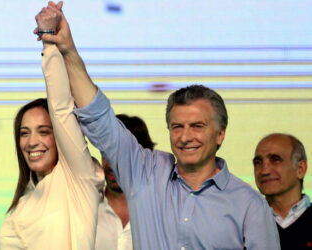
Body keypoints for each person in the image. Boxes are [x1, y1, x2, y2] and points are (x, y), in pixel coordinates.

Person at [38, 2, 280, 249]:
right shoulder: (144, 173)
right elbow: (98, 116)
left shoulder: (249, 205)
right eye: (177, 127)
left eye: (197, 126)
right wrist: (67, 49)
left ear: (220, 134)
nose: (185, 137)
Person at [0, 5, 104, 249]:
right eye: (24, 133)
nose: (31, 141)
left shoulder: (76, 178)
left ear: (60, 138)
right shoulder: (23, 202)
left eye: (44, 131)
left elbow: (61, 108)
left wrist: (49, 41)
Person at [95, 114, 156, 250]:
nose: (112, 164)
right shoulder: (86, 208)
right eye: (107, 152)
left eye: (122, 155)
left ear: (143, 157)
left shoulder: (159, 213)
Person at [253, 133, 312, 249]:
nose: (264, 171)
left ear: (300, 169)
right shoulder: (244, 222)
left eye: (275, 160)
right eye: (258, 162)